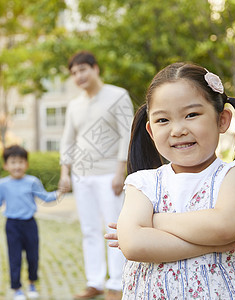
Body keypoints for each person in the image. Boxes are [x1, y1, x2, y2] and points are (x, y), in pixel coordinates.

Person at [114, 62, 235, 299]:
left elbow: (223, 227)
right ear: (150, 131)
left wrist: (154, 222)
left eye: (191, 115)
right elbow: (134, 245)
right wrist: (217, 246)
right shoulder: (142, 182)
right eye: (163, 120)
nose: (177, 130)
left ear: (222, 120)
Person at [58, 50, 134, 300]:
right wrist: (64, 172)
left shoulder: (117, 95)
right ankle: (95, 282)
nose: (79, 76)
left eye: (83, 70)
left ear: (95, 68)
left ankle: (117, 282)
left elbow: (126, 134)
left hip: (108, 174)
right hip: (82, 176)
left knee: (114, 228)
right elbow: (68, 140)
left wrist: (119, 171)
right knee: (89, 229)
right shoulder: (74, 105)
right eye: (74, 73)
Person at [0, 145, 64, 300]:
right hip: (12, 225)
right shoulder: (3, 184)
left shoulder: (32, 182)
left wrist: (60, 192)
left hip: (29, 224)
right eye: (13, 162)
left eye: (21, 162)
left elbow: (46, 197)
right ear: (6, 165)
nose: (17, 166)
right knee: (14, 257)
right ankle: (16, 288)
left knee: (32, 256)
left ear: (26, 164)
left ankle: (31, 284)